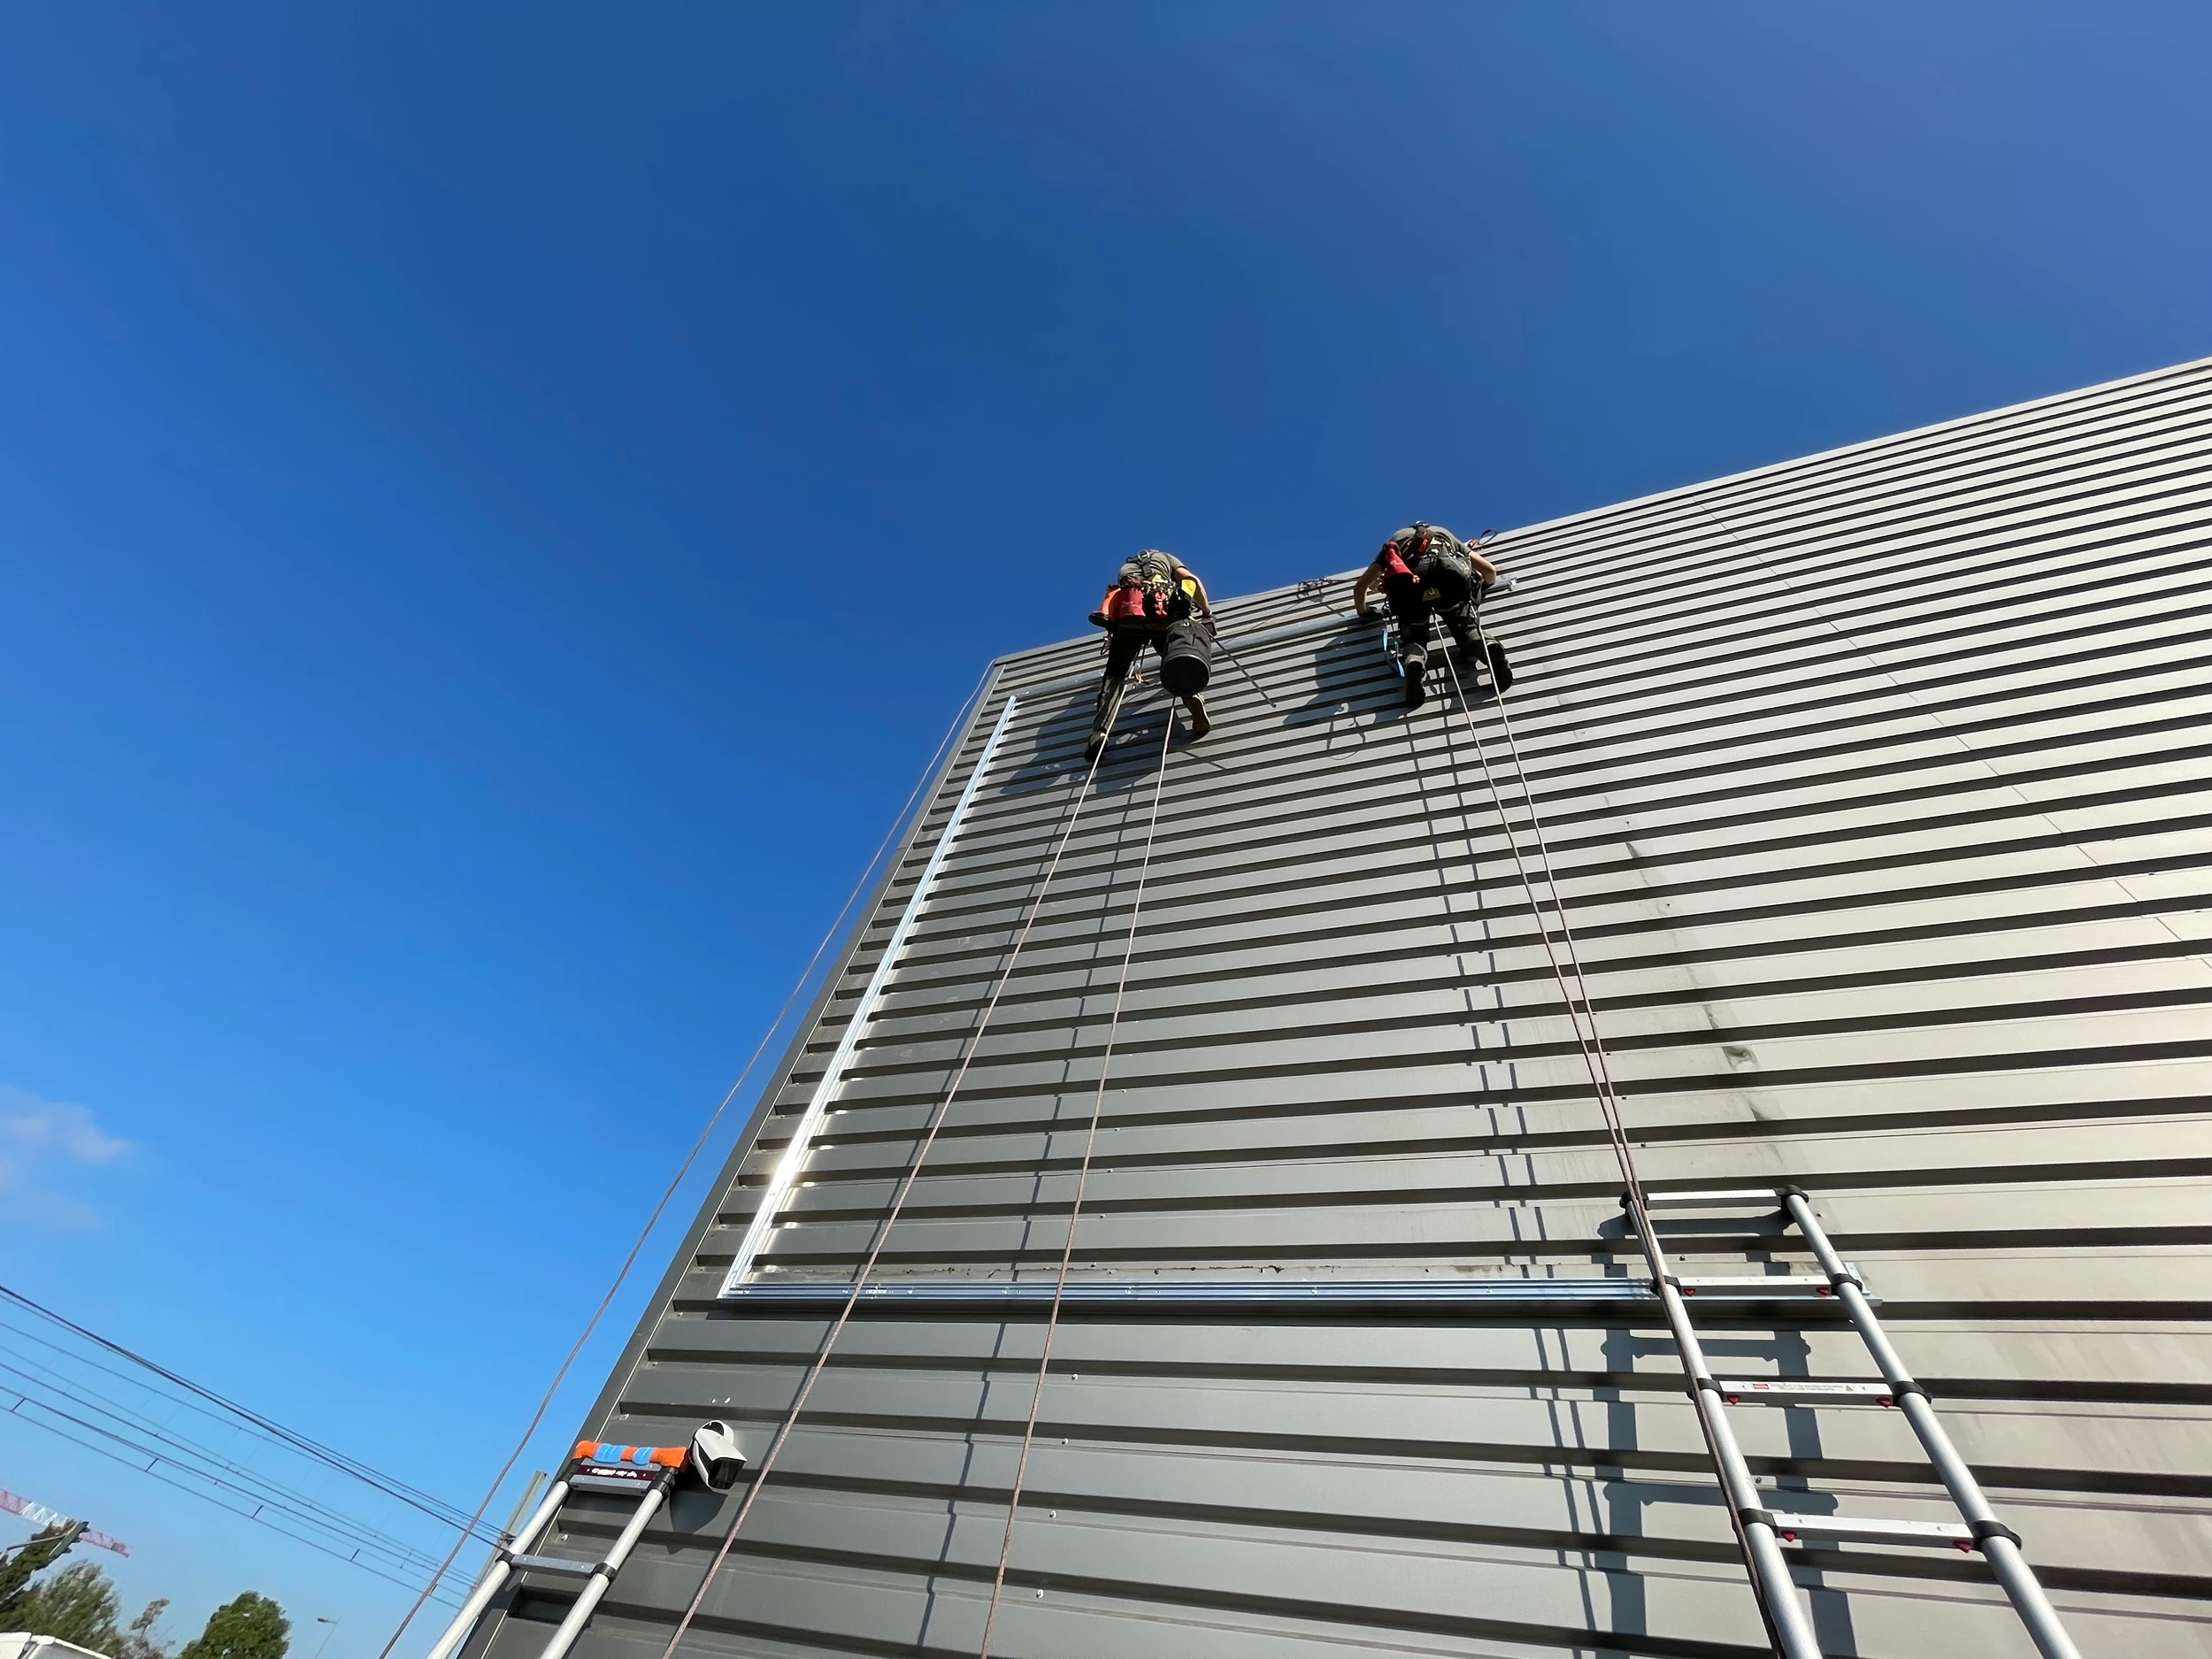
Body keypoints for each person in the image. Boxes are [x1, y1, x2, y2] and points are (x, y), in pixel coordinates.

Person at [1352, 521, 1513, 707]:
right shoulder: (1443, 534)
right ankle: (1487, 646)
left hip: (1412, 593)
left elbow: (1360, 587)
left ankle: (1414, 662)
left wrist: (1365, 613)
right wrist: (1483, 587)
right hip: (1449, 585)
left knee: (1415, 639)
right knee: (1464, 628)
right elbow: (1490, 571)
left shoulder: (1394, 543)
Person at [1087, 549, 1215, 758]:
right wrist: (1207, 613)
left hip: (1130, 622)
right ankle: (1193, 698)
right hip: (1163, 617)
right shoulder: (1167, 559)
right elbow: (1192, 580)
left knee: (1115, 674)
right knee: (1178, 658)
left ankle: (1099, 732)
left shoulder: (1125, 569)